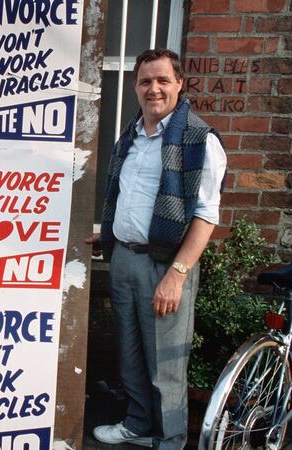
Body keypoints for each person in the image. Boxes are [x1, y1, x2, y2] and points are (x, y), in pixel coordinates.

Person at [87, 48, 227, 449]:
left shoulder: (199, 139)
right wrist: (110, 234)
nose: (154, 89)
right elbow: (129, 198)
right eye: (146, 81)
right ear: (135, 86)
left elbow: (205, 216)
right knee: (129, 353)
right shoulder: (129, 137)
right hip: (125, 259)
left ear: (180, 84)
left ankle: (170, 440)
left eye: (163, 80)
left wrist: (177, 275)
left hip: (166, 265)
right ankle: (137, 423)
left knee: (165, 364)